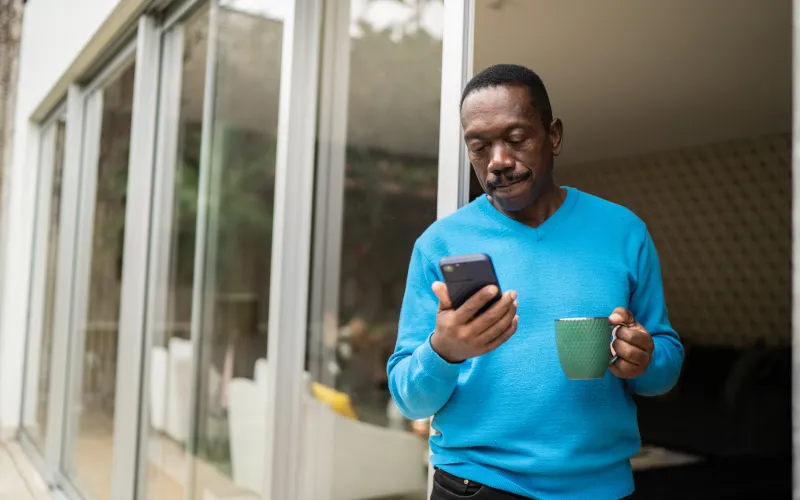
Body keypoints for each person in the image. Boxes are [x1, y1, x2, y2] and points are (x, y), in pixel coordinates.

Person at [387, 64, 684, 500]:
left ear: (554, 135)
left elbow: (665, 369)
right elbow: (409, 399)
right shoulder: (440, 244)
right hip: (476, 484)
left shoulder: (623, 231)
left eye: (516, 138)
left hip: (600, 488)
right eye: (479, 146)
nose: (498, 162)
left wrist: (646, 358)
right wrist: (443, 351)